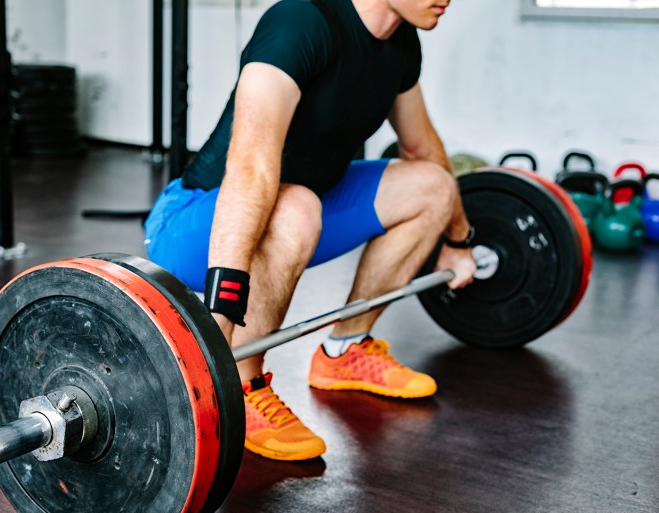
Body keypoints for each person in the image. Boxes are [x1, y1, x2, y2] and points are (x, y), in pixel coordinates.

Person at [144, 0, 476, 462]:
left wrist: (459, 241)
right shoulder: (300, 22)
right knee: (295, 203)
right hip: (196, 221)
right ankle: (242, 384)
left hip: (304, 205)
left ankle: (345, 349)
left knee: (433, 187)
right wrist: (223, 303)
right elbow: (251, 165)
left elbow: (424, 149)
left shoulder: (401, 43)